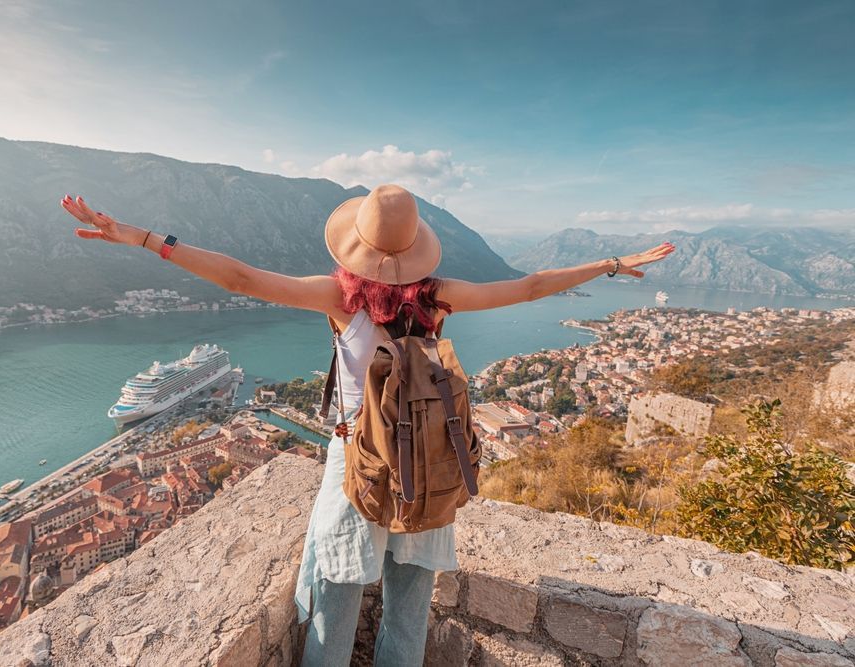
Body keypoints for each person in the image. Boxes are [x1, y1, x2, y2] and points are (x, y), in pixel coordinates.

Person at [60, 184, 675, 665]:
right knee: (409, 598)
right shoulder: (441, 297)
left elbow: (240, 277)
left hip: (359, 456)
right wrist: (611, 264)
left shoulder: (338, 298)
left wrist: (141, 237)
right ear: (415, 247)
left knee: (337, 587)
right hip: (427, 461)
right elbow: (533, 285)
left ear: (357, 242)